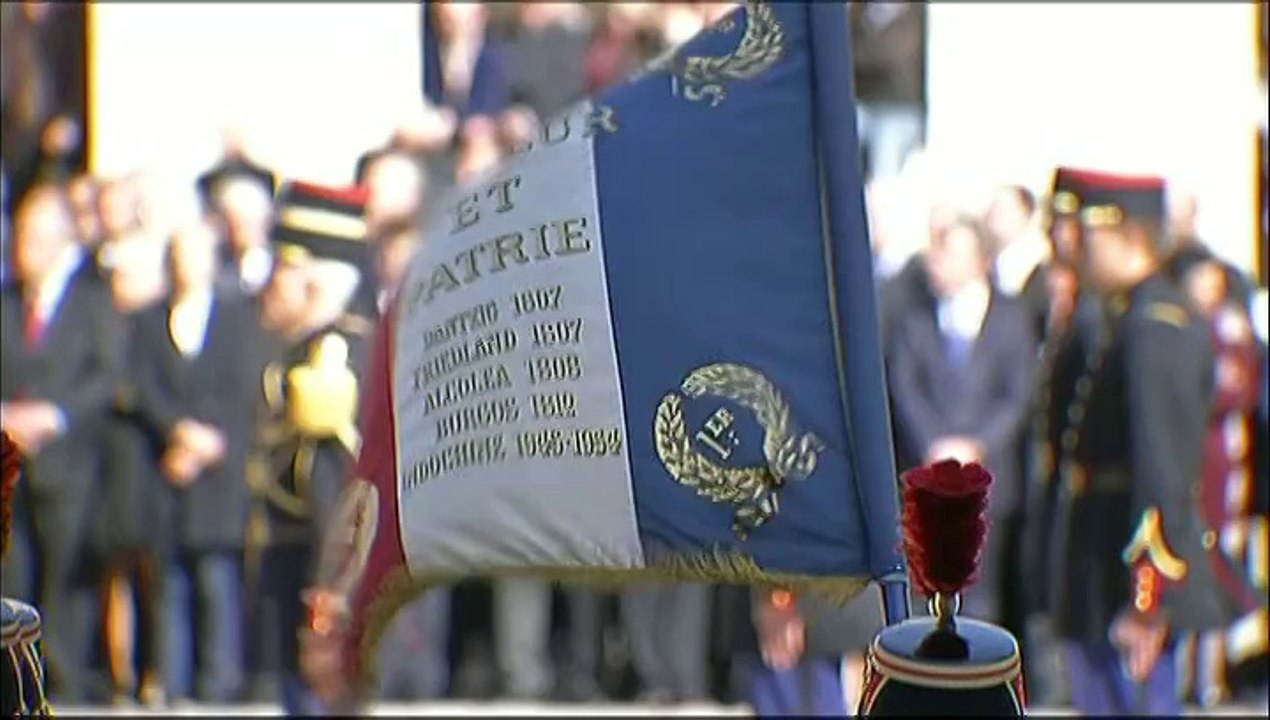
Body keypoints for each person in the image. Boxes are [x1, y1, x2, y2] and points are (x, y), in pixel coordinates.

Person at [1052, 171, 1229, 715]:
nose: (1073, 248)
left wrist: (1147, 598)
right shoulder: (1122, 316)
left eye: (1088, 234)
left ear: (1129, 237)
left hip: (1130, 576)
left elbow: (1164, 469)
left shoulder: (1157, 327)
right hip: (1100, 559)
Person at [248, 181, 370, 715]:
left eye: (283, 268)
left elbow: (331, 486)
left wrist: (331, 585)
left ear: (315, 281)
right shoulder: (298, 350)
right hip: (290, 550)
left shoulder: (332, 359)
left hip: (316, 565)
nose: (271, 284)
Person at [0, 183, 120, 703]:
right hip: (9, 467)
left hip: (68, 465)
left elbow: (107, 376)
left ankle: (65, 682)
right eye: (20, 236)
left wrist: (56, 413)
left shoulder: (91, 302)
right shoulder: (6, 302)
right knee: (15, 574)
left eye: (35, 237)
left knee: (64, 578)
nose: (24, 247)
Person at [888, 214, 1036, 625]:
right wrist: (933, 443)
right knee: (925, 592)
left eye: (948, 253)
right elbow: (905, 385)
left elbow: (1017, 393)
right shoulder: (914, 317)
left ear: (979, 260)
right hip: (927, 473)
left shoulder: (1010, 318)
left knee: (979, 595)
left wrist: (976, 444)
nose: (936, 262)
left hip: (986, 476)